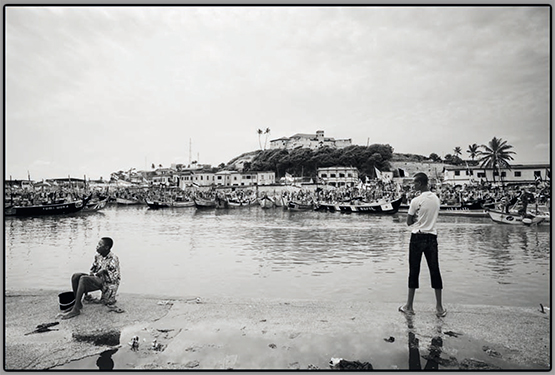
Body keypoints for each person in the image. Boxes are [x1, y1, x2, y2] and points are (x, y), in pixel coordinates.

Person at [399, 173, 446, 317]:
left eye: (414, 183)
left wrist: (416, 218)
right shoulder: (436, 199)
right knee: (435, 270)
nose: (413, 186)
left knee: (414, 270)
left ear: (419, 183)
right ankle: (439, 307)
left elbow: (408, 222)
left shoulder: (415, 201)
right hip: (431, 236)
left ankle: (409, 306)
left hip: (417, 237)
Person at [62, 237, 120, 320]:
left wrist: (104, 272)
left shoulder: (113, 259)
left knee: (83, 278)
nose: (97, 246)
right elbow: (93, 270)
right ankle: (77, 303)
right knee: (76, 276)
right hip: (98, 279)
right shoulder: (98, 256)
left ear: (106, 247)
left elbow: (114, 279)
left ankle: (76, 309)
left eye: (100, 245)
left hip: (108, 283)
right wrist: (93, 274)